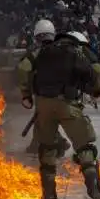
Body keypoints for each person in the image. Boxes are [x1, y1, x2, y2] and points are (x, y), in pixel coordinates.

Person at [27, 30, 100, 199]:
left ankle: (47, 198)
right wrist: (98, 89)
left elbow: (25, 67)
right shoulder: (78, 51)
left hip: (43, 105)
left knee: (47, 150)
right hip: (67, 105)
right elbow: (96, 70)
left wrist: (26, 95)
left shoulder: (44, 50)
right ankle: (93, 189)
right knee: (85, 149)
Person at [17, 19, 71, 155]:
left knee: (44, 119)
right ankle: (39, 144)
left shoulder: (36, 54)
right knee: (45, 119)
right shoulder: (63, 51)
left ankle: (58, 143)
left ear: (37, 36)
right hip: (64, 95)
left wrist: (26, 93)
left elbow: (23, 69)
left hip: (44, 95)